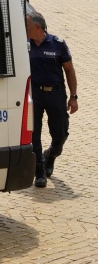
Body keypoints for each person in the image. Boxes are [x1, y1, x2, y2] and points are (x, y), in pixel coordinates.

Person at [26, 10, 79, 188]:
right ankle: (39, 170)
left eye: (27, 25)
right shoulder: (24, 45)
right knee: (34, 133)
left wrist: (73, 97)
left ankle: (52, 155)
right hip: (35, 95)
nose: (24, 28)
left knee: (61, 132)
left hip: (56, 94)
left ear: (37, 27)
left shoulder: (58, 44)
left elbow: (69, 70)